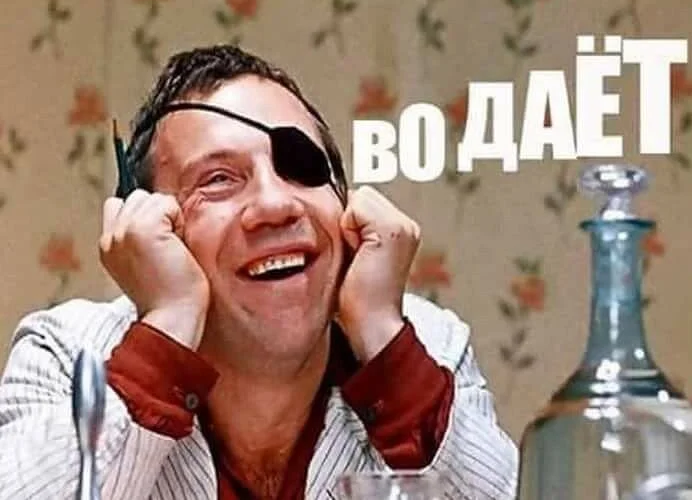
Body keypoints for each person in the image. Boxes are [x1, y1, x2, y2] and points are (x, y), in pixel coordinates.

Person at [0, 45, 517, 499]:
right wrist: (169, 323)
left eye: (301, 167)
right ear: (148, 228)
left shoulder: (430, 350)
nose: (276, 204)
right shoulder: (69, 357)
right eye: (219, 179)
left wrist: (383, 338)